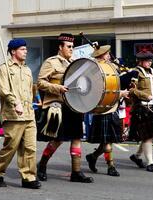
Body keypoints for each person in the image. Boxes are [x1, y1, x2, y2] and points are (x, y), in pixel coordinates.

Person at [36, 33, 93, 183]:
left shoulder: (74, 63)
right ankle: (41, 165)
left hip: (73, 106)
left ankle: (76, 172)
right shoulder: (51, 62)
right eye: (68, 47)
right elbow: (40, 83)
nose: (71, 49)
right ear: (60, 47)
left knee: (76, 137)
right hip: (58, 105)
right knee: (57, 140)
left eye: (72, 47)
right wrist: (57, 88)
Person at [0, 39, 41, 189]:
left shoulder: (27, 70)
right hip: (13, 114)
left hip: (29, 114)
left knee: (30, 148)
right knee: (10, 147)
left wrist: (36, 102)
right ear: (13, 51)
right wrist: (15, 102)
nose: (26, 51)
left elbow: (32, 90)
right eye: (22, 49)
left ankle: (28, 177)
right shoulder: (4, 69)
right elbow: (3, 90)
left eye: (26, 49)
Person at [85, 45, 129, 177]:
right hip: (102, 108)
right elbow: (99, 90)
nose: (109, 55)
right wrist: (120, 94)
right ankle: (111, 165)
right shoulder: (93, 70)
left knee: (106, 140)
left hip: (113, 106)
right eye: (107, 54)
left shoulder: (111, 67)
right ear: (100, 56)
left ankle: (92, 157)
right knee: (107, 142)